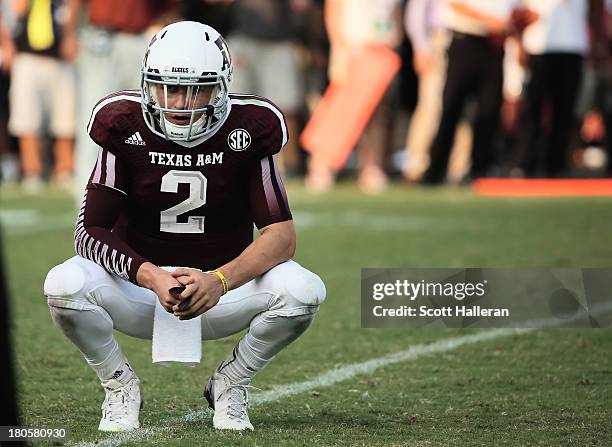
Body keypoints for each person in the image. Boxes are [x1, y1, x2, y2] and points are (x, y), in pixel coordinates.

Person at [43, 21, 326, 432]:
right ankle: (119, 385)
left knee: (304, 291)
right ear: (147, 84)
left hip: (221, 293)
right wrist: (150, 274)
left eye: (198, 89)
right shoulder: (124, 123)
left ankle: (231, 382)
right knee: (62, 285)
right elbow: (89, 230)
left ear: (223, 85)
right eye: (168, 88)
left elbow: (281, 236)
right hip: (140, 291)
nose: (180, 102)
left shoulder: (249, 129)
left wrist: (219, 280)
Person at [421, 0, 527, 184]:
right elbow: (455, 4)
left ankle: (480, 171)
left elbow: (518, 11)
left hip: (496, 45)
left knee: (489, 109)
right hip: (466, 41)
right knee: (451, 107)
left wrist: (516, 33)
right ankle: (435, 171)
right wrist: (489, 21)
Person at [8, 0, 78, 192]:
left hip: (61, 58)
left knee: (66, 117)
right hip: (27, 55)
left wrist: (70, 33)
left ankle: (64, 169)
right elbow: (16, 10)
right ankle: (32, 171)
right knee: (27, 117)